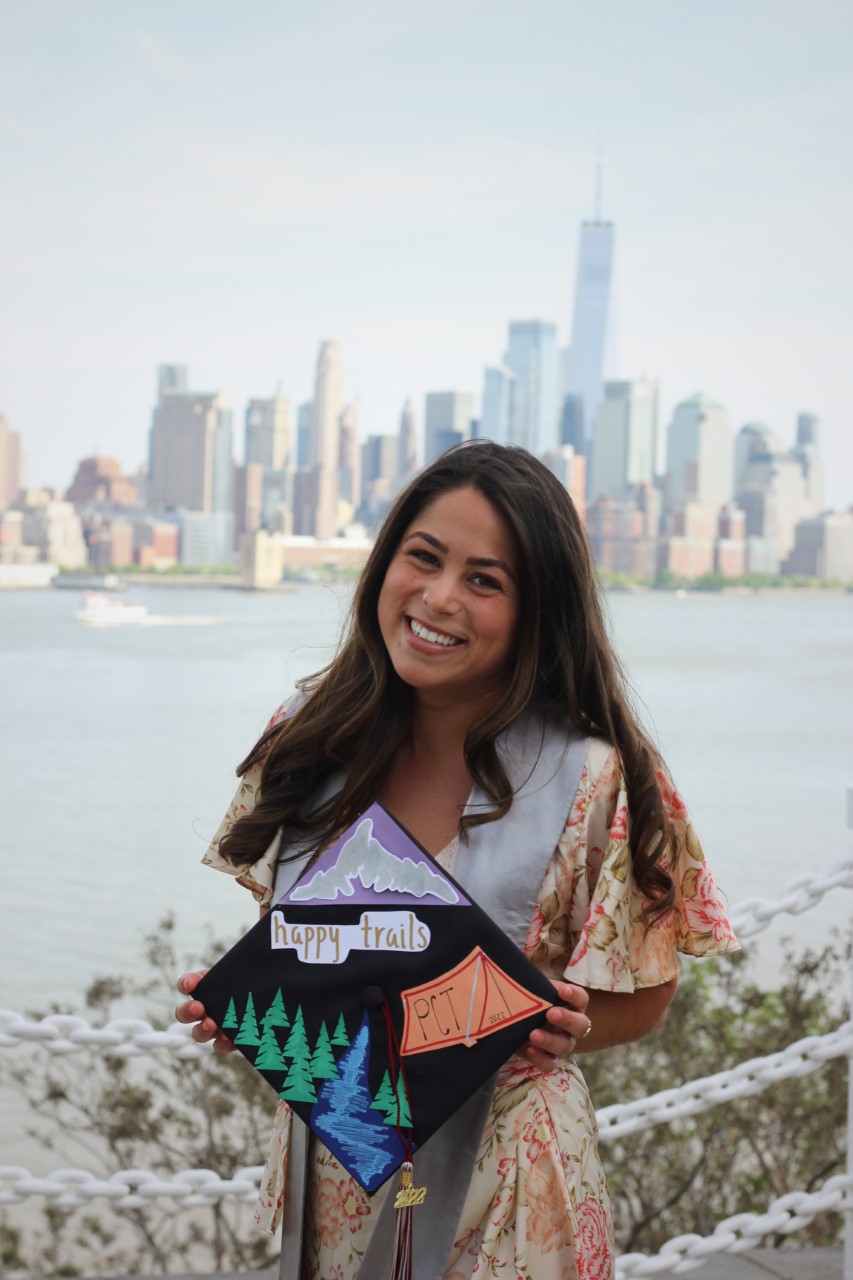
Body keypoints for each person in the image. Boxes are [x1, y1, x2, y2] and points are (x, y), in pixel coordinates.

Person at [176, 441, 738, 1280]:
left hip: (504, 1176)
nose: (438, 598)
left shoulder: (593, 774)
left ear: (536, 609)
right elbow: (303, 949)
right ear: (385, 564)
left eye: (485, 580)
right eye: (423, 558)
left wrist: (563, 1021)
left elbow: (649, 996)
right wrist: (250, 1013)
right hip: (342, 1150)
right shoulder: (309, 731)